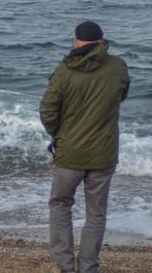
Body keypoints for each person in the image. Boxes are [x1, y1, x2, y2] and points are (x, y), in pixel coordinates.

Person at [39, 21, 130, 273]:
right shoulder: (118, 67)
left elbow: (47, 110)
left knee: (59, 205)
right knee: (96, 213)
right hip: (103, 154)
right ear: (101, 41)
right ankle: (89, 268)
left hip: (69, 153)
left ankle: (66, 267)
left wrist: (58, 134)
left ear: (76, 42)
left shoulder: (65, 70)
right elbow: (121, 95)